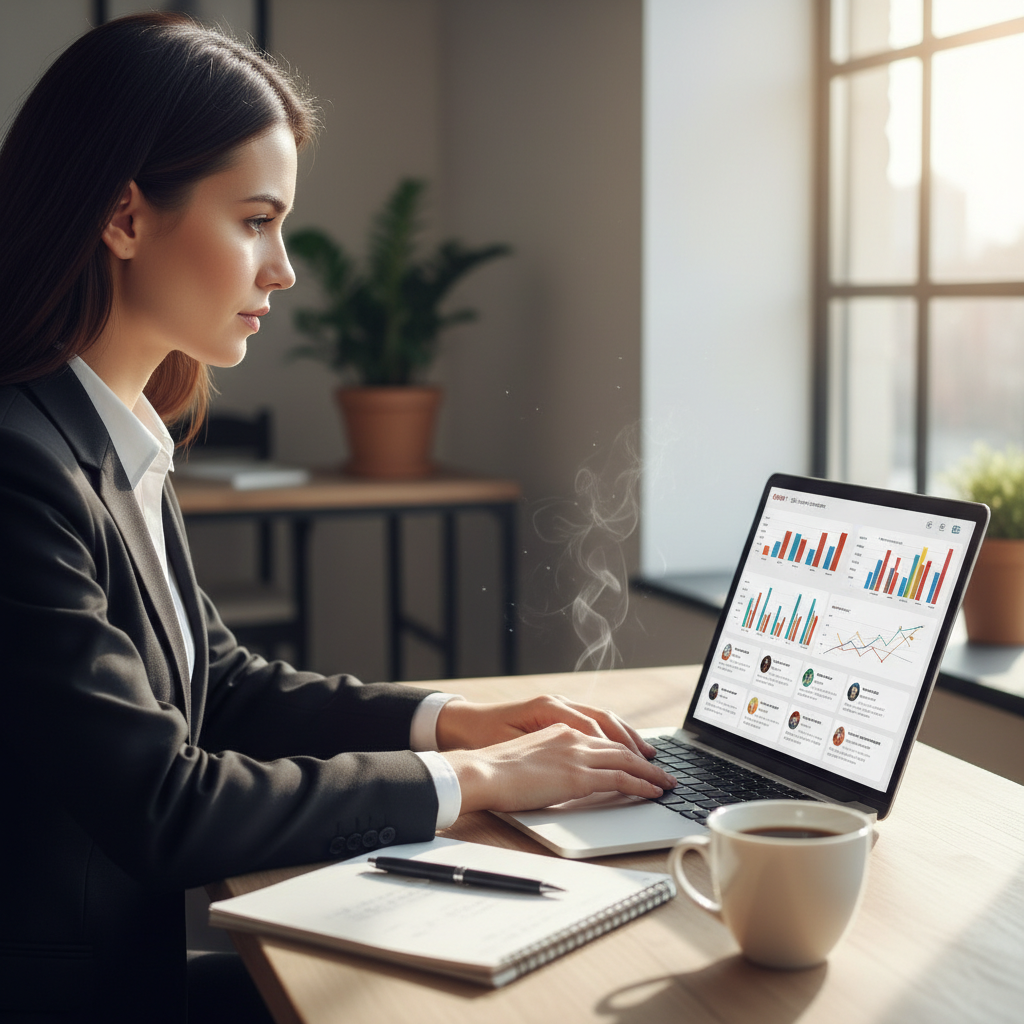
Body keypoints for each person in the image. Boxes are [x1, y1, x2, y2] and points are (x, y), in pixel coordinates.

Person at [0, 14, 674, 1024]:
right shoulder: (20, 464)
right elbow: (163, 806)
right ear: (126, 217)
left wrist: (450, 718)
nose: (283, 271)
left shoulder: (117, 431)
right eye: (254, 220)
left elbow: (217, 686)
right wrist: (477, 776)